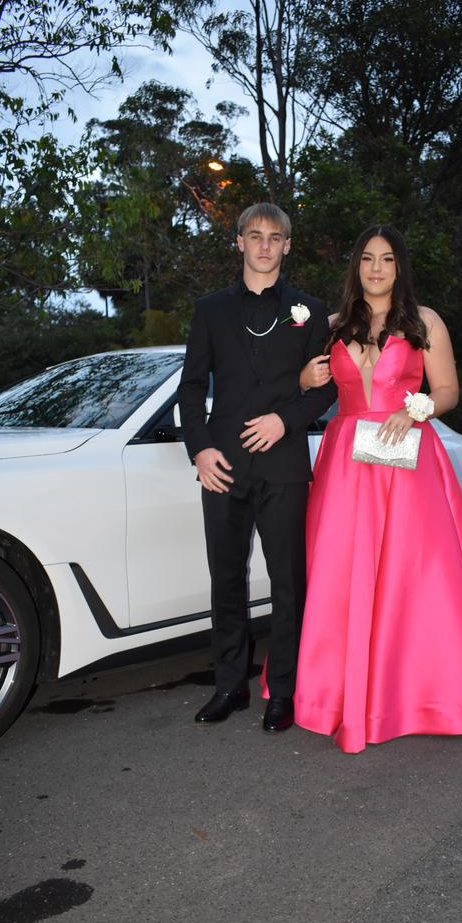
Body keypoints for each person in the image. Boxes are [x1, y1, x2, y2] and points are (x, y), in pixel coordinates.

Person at [293, 225, 462, 754]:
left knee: (415, 577)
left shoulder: (425, 322)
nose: (376, 269)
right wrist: (304, 381)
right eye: (368, 259)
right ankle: (335, 697)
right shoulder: (329, 326)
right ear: (356, 266)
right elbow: (303, 386)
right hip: (345, 462)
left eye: (388, 260)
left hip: (407, 458)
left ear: (400, 268)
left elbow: (447, 390)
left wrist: (413, 408)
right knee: (341, 573)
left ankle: (425, 695)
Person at [178, 203, 336, 732]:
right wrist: (199, 449)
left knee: (289, 583)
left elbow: (325, 386)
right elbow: (192, 387)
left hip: (285, 467)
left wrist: (283, 421)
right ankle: (229, 686)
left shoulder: (309, 311)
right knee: (226, 579)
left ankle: (284, 692)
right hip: (222, 466)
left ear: (288, 246)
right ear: (239, 242)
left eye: (275, 237)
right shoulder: (210, 310)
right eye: (255, 235)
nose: (265, 245)